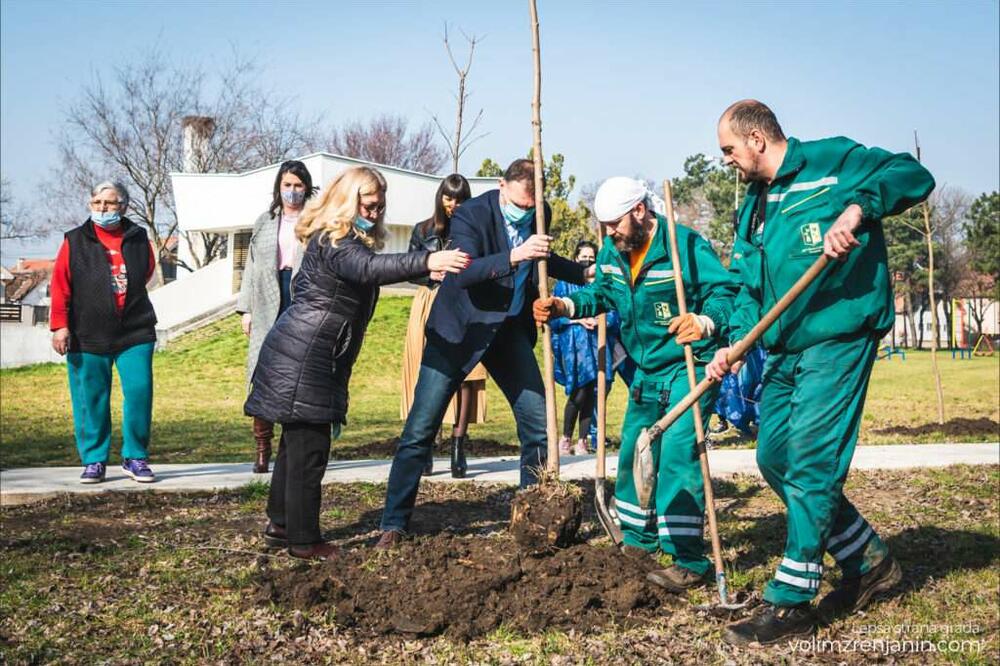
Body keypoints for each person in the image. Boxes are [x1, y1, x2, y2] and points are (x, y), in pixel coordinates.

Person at [705, 100, 935, 646]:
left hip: (838, 336)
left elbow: (913, 175)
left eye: (729, 150)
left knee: (810, 459)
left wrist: (857, 210)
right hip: (784, 348)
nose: (727, 160)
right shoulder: (753, 207)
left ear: (756, 139)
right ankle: (869, 562)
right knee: (774, 457)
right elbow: (747, 287)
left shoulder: (832, 160)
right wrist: (735, 341)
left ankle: (792, 600)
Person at [244, 166, 469, 560]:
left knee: (296, 445)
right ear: (349, 201)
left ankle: (281, 524)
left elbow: (368, 269)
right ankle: (304, 541)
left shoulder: (337, 238)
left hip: (305, 352)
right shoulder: (336, 239)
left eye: (380, 206)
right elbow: (369, 269)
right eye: (368, 205)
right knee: (309, 451)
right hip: (306, 357)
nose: (376, 212)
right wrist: (429, 259)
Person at [534, 176, 738, 592]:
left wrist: (704, 321)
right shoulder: (613, 251)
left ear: (640, 211)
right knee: (633, 451)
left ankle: (688, 559)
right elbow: (603, 295)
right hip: (646, 370)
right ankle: (638, 541)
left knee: (678, 455)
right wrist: (564, 305)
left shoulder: (683, 246)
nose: (609, 233)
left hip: (688, 366)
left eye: (615, 224)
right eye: (605, 226)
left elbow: (725, 292)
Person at [376, 158, 589, 548]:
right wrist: (516, 255)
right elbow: (465, 271)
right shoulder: (471, 214)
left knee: (537, 423)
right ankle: (393, 522)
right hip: (460, 330)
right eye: (520, 204)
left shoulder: (540, 212)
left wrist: (584, 273)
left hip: (508, 331)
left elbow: (544, 257)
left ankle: (532, 515)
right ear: (501, 186)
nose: (526, 211)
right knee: (421, 428)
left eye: (532, 206)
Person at [50, 180, 158, 484]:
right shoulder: (75, 240)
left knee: (139, 391)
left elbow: (146, 271)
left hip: (134, 330)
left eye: (109, 203)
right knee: (90, 397)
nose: (102, 208)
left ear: (123, 206)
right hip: (87, 331)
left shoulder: (138, 237)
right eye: (97, 203)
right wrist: (60, 326)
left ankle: (135, 457)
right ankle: (94, 460)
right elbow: (60, 284)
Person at [400, 174, 488, 478]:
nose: (453, 204)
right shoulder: (422, 229)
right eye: (449, 198)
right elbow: (409, 267)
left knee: (468, 375)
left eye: (460, 199)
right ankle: (425, 445)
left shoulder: (475, 230)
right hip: (429, 300)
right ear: (440, 198)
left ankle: (458, 444)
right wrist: (430, 273)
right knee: (427, 374)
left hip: (466, 302)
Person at [236, 160, 317, 473]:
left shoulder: (316, 220)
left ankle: (291, 449)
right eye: (287, 185)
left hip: (302, 297)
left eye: (298, 185)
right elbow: (252, 266)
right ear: (278, 187)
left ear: (306, 187)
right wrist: (246, 310)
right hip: (268, 298)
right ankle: (262, 447)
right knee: (263, 372)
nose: (292, 191)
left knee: (296, 374)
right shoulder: (265, 221)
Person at [550, 239, 614, 456]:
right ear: (576, 258)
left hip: (596, 345)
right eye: (583, 257)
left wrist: (599, 320)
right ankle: (566, 437)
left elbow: (613, 313)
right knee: (579, 392)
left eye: (591, 257)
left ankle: (582, 440)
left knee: (593, 392)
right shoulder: (563, 284)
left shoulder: (602, 284)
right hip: (574, 346)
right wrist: (578, 320)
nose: (587, 260)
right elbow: (555, 318)